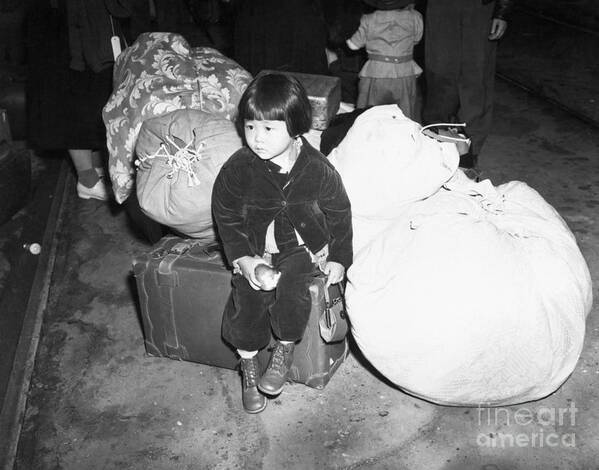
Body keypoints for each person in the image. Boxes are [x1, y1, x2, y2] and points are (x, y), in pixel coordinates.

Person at [212, 73, 353, 414]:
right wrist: (244, 259)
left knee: (293, 289)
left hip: (300, 245)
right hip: (256, 245)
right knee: (247, 298)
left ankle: (284, 351)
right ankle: (247, 364)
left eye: (268, 129)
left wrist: (339, 256)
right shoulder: (239, 168)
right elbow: (225, 213)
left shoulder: (317, 168)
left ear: (296, 127)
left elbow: (339, 211)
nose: (256, 139)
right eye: (249, 127)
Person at [26, 0, 150, 201]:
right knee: (74, 99)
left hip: (89, 28)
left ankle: (95, 164)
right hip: (63, 30)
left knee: (99, 95)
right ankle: (87, 179)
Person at [422, 0, 513, 170]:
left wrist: (502, 12)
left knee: (475, 77)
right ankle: (436, 140)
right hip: (441, 7)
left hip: (479, 8)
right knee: (439, 73)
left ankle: (470, 151)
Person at [345, 0, 423, 118]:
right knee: (404, 117)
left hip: (376, 73)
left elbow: (353, 46)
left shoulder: (368, 19)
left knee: (369, 116)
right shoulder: (415, 17)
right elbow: (417, 39)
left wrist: (344, 33)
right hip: (405, 72)